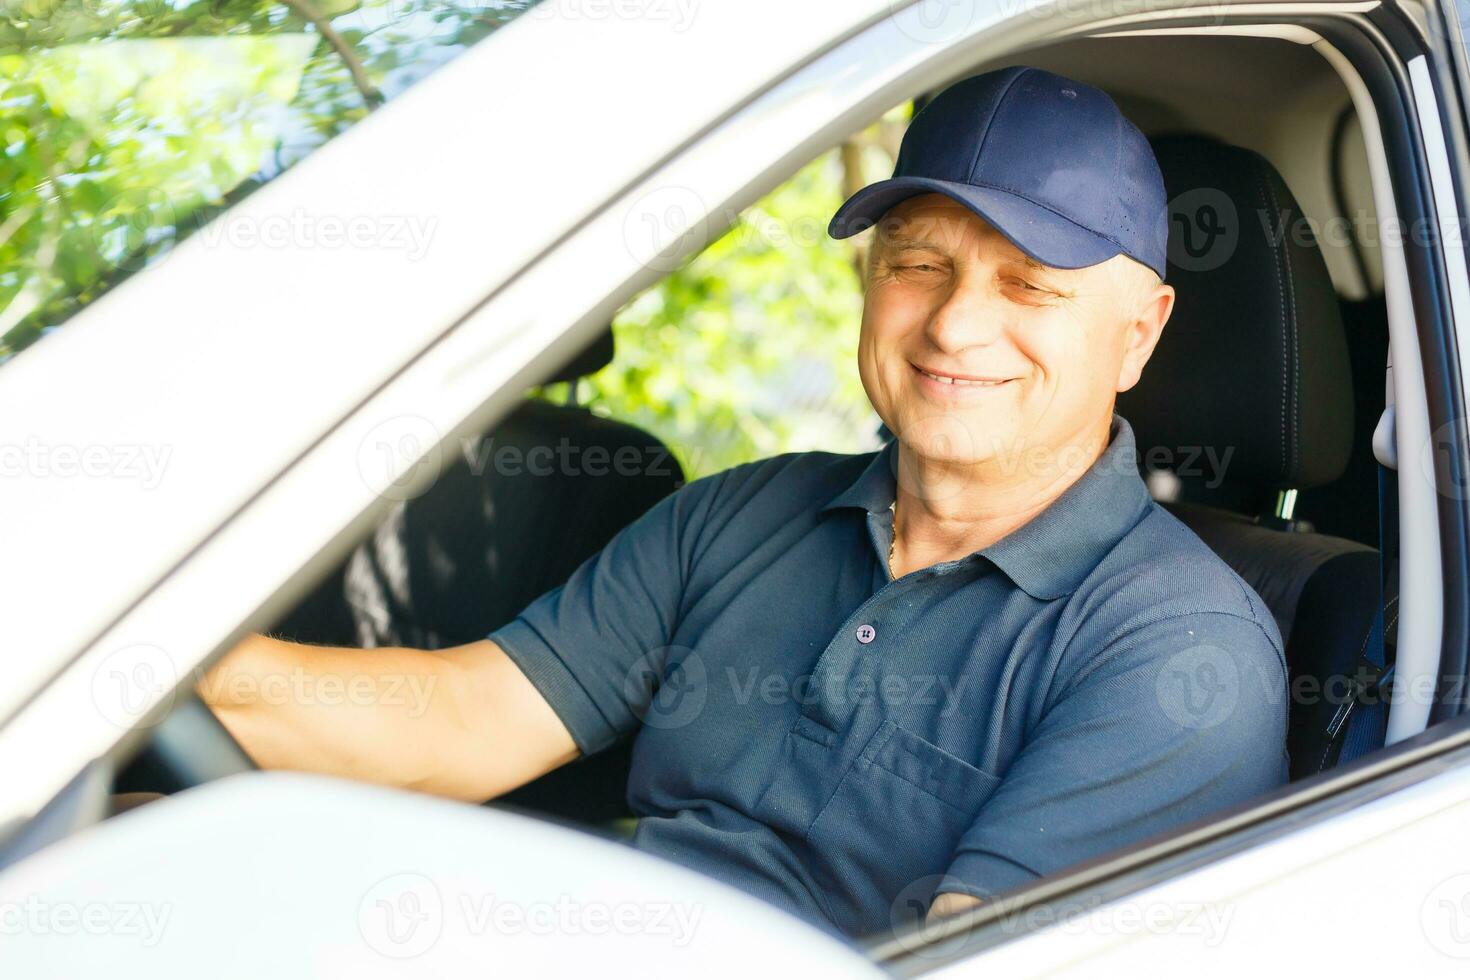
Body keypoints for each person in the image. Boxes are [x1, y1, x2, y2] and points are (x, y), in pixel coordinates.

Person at [202, 66, 1288, 939]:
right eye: (920, 263)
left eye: (1030, 286)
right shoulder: (745, 514)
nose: (954, 327)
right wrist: (143, 670)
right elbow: (455, 721)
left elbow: (972, 956)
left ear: (1138, 332)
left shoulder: (1177, 649)